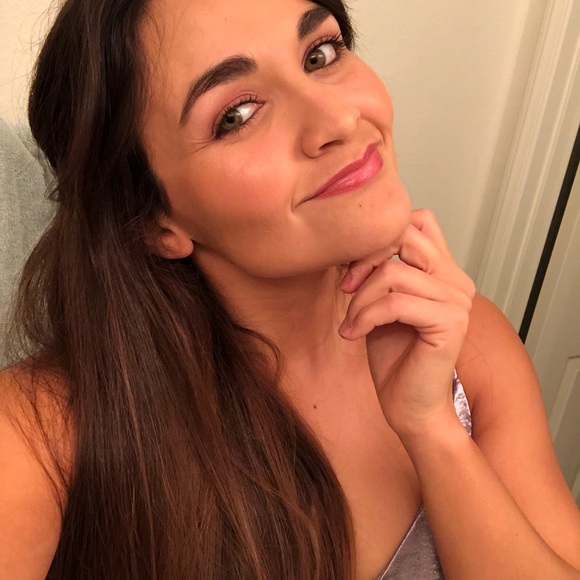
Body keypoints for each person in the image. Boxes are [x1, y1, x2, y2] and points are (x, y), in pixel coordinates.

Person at [0, 0, 579, 577]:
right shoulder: (40, 438)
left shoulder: (468, 344)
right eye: (237, 115)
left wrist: (434, 432)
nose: (338, 120)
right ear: (154, 221)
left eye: (320, 54)